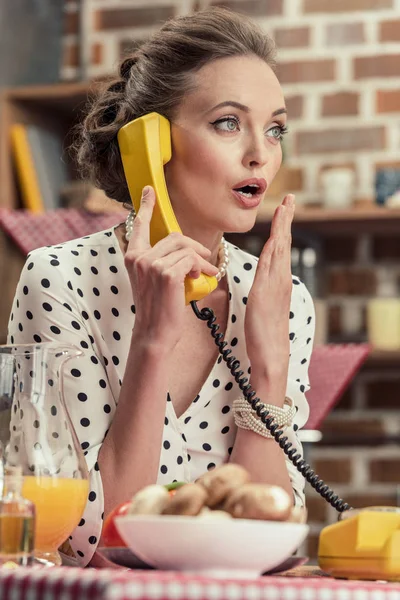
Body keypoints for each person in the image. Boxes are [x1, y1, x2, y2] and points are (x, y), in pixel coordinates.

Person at [8, 7, 315, 566]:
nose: (260, 153)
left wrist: (267, 367)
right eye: (228, 122)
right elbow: (91, 541)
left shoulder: (281, 300)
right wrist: (151, 338)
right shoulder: (60, 280)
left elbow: (267, 543)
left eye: (275, 128)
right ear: (149, 144)